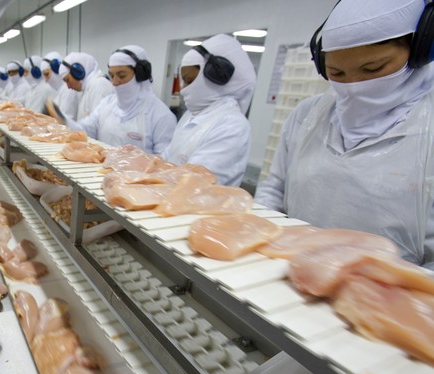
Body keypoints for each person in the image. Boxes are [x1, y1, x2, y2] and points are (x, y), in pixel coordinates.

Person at [255, 0, 434, 268]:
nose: (353, 86)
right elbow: (273, 190)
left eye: (373, 69)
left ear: (420, 49)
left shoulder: (427, 130)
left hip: (385, 298)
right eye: (336, 73)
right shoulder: (307, 116)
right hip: (291, 278)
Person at [162, 34, 257, 186]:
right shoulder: (191, 115)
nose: (183, 89)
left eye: (190, 80)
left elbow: (197, 183)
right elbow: (169, 155)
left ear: (218, 75)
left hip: (195, 206)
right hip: (169, 201)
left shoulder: (232, 125)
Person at [67, 45, 177, 154]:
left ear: (141, 74)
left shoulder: (161, 115)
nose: (115, 82)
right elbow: (85, 129)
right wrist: (62, 118)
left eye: (122, 75)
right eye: (112, 75)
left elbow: (165, 161)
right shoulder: (107, 104)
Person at [60, 51, 114, 120]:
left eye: (67, 80)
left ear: (78, 72)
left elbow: (98, 125)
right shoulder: (88, 88)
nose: (68, 86)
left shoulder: (99, 85)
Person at [43, 51, 80, 120]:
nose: (45, 79)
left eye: (46, 74)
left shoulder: (68, 90)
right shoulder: (60, 90)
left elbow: (65, 121)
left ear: (56, 68)